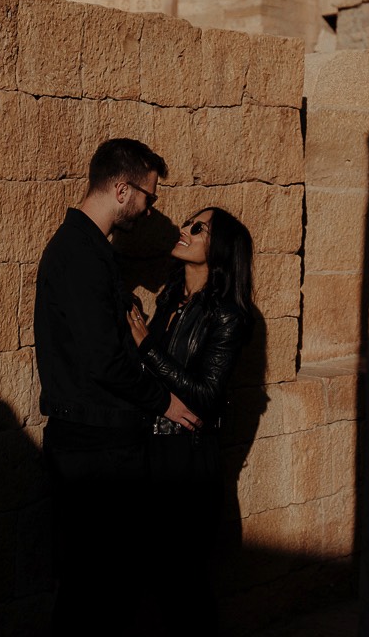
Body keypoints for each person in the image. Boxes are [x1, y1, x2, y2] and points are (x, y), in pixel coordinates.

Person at [34, 138, 200, 634]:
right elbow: (102, 359)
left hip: (96, 441)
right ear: (122, 189)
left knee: (101, 587)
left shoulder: (89, 252)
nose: (151, 208)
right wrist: (163, 401)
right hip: (94, 447)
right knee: (96, 590)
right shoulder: (81, 255)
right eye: (149, 195)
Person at [125, 206, 255, 636]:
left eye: (197, 228)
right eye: (187, 223)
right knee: (158, 584)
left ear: (217, 249)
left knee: (185, 587)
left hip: (189, 463)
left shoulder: (229, 317)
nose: (184, 231)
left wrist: (147, 346)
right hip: (152, 454)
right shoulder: (169, 300)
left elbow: (205, 396)